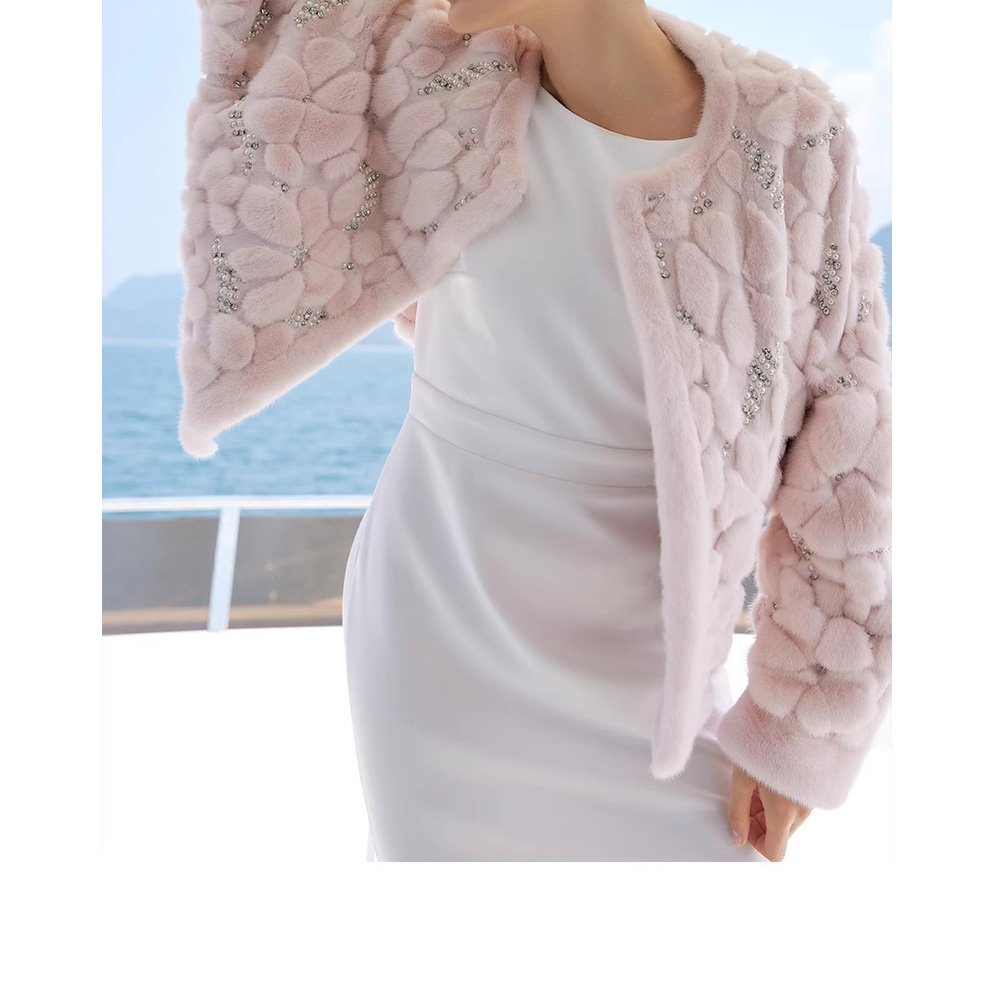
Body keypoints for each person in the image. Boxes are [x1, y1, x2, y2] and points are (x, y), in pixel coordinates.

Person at [178, 0, 892, 862]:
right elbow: (273, 50)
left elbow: (851, 442)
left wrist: (800, 729)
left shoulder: (792, 135)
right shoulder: (428, 76)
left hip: (651, 680)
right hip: (436, 640)